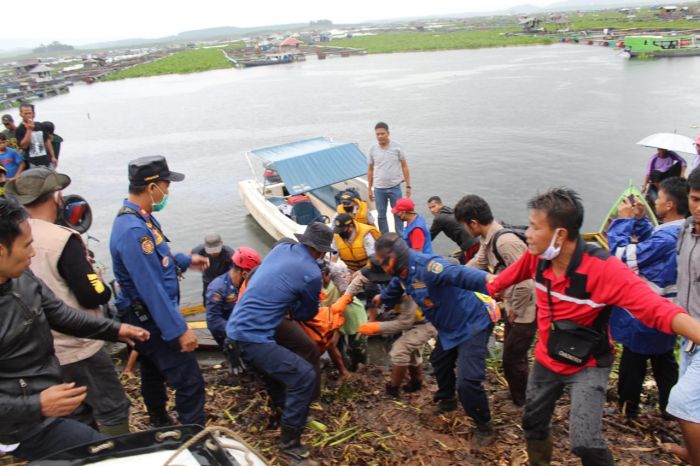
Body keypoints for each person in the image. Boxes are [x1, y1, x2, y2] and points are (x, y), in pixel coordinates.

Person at [484, 187, 700, 466]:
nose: (527, 233)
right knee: (533, 423)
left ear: (560, 234)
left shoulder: (604, 270)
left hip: (589, 363)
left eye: (535, 227)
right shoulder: (535, 258)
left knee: (585, 442)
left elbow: (657, 309)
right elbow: (499, 283)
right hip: (547, 359)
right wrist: (487, 289)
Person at [0, 197, 148, 462]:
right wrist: (36, 405)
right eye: (27, 245)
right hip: (15, 430)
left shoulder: (21, 277)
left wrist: (114, 330)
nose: (32, 253)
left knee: (104, 452)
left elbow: (59, 314)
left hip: (41, 411)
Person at [5, 168, 130, 436]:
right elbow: (93, 294)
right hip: (79, 346)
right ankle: (118, 452)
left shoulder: (14, 233)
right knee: (111, 407)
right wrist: (99, 282)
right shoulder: (62, 239)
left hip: (43, 355)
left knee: (71, 412)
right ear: (56, 198)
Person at [110, 155, 210, 427]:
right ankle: (192, 438)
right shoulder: (133, 230)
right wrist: (179, 329)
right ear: (152, 187)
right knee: (190, 382)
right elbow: (150, 287)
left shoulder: (141, 218)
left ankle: (159, 419)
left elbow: (158, 256)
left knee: (152, 369)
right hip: (149, 316)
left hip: (141, 314)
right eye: (166, 186)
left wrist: (184, 260)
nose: (168, 192)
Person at [371, 233, 499, 444]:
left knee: (467, 382)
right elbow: (395, 288)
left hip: (472, 323)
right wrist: (381, 298)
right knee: (439, 361)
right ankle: (447, 399)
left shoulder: (428, 267)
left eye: (385, 262)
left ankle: (484, 426)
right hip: (449, 327)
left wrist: (490, 280)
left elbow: (459, 274)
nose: (383, 268)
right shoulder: (402, 274)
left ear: (396, 257)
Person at [226, 223, 335, 465]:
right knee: (303, 376)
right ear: (321, 251)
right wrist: (291, 306)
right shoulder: (312, 273)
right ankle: (290, 447)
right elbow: (306, 313)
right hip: (251, 336)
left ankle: (290, 409)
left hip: (237, 324)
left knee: (301, 352)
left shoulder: (282, 249)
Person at [607, 177, 688, 420]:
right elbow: (652, 241)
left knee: (634, 359)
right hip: (669, 309)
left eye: (659, 198)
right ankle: (670, 409)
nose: (655, 202)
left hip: (647, 311)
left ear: (670, 205)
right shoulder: (681, 230)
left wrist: (623, 221)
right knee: (663, 360)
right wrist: (641, 221)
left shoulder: (667, 238)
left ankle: (628, 409)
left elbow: (621, 257)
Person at [455, 194, 537, 410]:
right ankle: (516, 390)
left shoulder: (505, 242)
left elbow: (527, 281)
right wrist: (453, 276)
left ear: (473, 222)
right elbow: (478, 263)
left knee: (513, 357)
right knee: (511, 353)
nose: (465, 230)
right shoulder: (487, 239)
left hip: (526, 309)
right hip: (513, 306)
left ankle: (523, 402)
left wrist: (516, 309)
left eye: (465, 225)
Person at [666, 169, 700, 465]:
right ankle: (692, 452)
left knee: (682, 402)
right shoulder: (686, 230)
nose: (699, 208)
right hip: (688, 333)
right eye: (695, 199)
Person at [205, 246, 261, 349]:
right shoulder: (217, 289)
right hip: (231, 335)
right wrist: (240, 331)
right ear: (244, 273)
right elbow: (213, 321)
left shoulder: (246, 285)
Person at [367, 122, 411, 235]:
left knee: (398, 214)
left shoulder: (397, 147)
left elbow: (404, 166)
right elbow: (370, 169)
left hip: (395, 188)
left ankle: (401, 237)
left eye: (382, 133)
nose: (380, 136)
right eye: (377, 134)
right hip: (379, 188)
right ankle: (385, 237)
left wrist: (408, 185)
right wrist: (369, 189)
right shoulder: (372, 149)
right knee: (381, 215)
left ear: (388, 133)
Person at [427, 195, 480, 264]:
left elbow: (429, 237)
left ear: (440, 204)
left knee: (468, 268)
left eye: (434, 206)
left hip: (470, 246)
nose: (432, 210)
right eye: (430, 208)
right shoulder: (450, 211)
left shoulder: (439, 218)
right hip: (476, 241)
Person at [191, 233, 234, 305]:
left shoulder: (229, 253)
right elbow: (188, 258)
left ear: (221, 244)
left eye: (216, 250)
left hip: (224, 281)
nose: (213, 253)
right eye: (210, 250)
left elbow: (236, 271)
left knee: (226, 302)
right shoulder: (200, 250)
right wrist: (196, 266)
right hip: (208, 280)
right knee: (207, 301)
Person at [14, 103, 56, 169]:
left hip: (46, 160)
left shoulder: (39, 125)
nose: (28, 115)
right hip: (32, 163)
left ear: (33, 114)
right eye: (25, 113)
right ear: (21, 114)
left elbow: (47, 141)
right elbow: (24, 146)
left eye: (30, 113)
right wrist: (29, 130)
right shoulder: (19, 129)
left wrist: (53, 156)